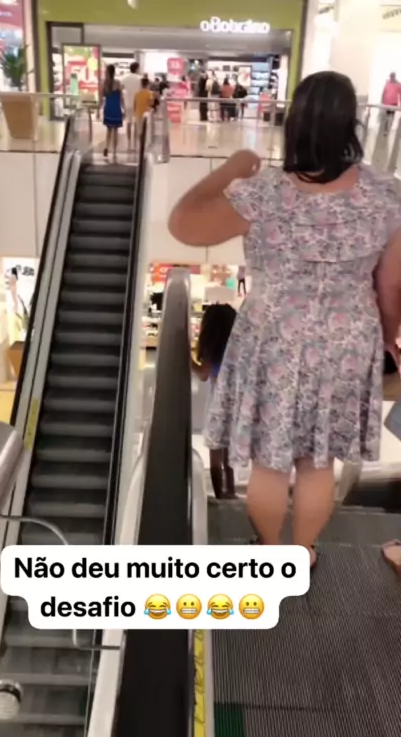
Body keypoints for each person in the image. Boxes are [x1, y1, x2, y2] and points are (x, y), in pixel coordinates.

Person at [169, 70, 401, 569]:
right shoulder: (387, 194)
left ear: (295, 122)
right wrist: (387, 336)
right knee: (318, 461)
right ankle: (303, 552)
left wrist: (231, 168)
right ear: (352, 125)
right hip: (348, 338)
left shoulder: (264, 193)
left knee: (270, 462)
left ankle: (271, 553)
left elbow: (182, 222)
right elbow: (390, 284)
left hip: (273, 337)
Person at [192, 304, 237, 499]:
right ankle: (231, 491)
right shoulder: (236, 347)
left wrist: (188, 360)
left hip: (217, 404)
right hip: (235, 404)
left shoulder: (212, 350)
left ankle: (219, 494)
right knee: (229, 452)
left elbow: (203, 374)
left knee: (216, 452)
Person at [102, 64, 124, 161]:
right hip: (116, 109)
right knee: (115, 131)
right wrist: (124, 109)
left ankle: (107, 147)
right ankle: (114, 152)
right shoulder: (118, 83)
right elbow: (121, 98)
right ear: (114, 72)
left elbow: (101, 98)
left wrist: (98, 110)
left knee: (108, 131)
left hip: (108, 108)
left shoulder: (105, 84)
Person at [122, 61, 142, 150]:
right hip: (137, 103)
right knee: (137, 123)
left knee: (128, 122)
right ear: (137, 69)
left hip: (127, 102)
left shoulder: (124, 78)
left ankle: (129, 142)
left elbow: (122, 89)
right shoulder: (140, 79)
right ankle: (135, 143)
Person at [134, 76, 153, 143]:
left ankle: (140, 142)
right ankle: (144, 143)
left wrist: (135, 112)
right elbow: (151, 103)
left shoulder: (137, 93)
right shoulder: (149, 93)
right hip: (146, 113)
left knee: (139, 130)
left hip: (138, 113)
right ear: (147, 84)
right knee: (145, 129)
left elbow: (135, 104)